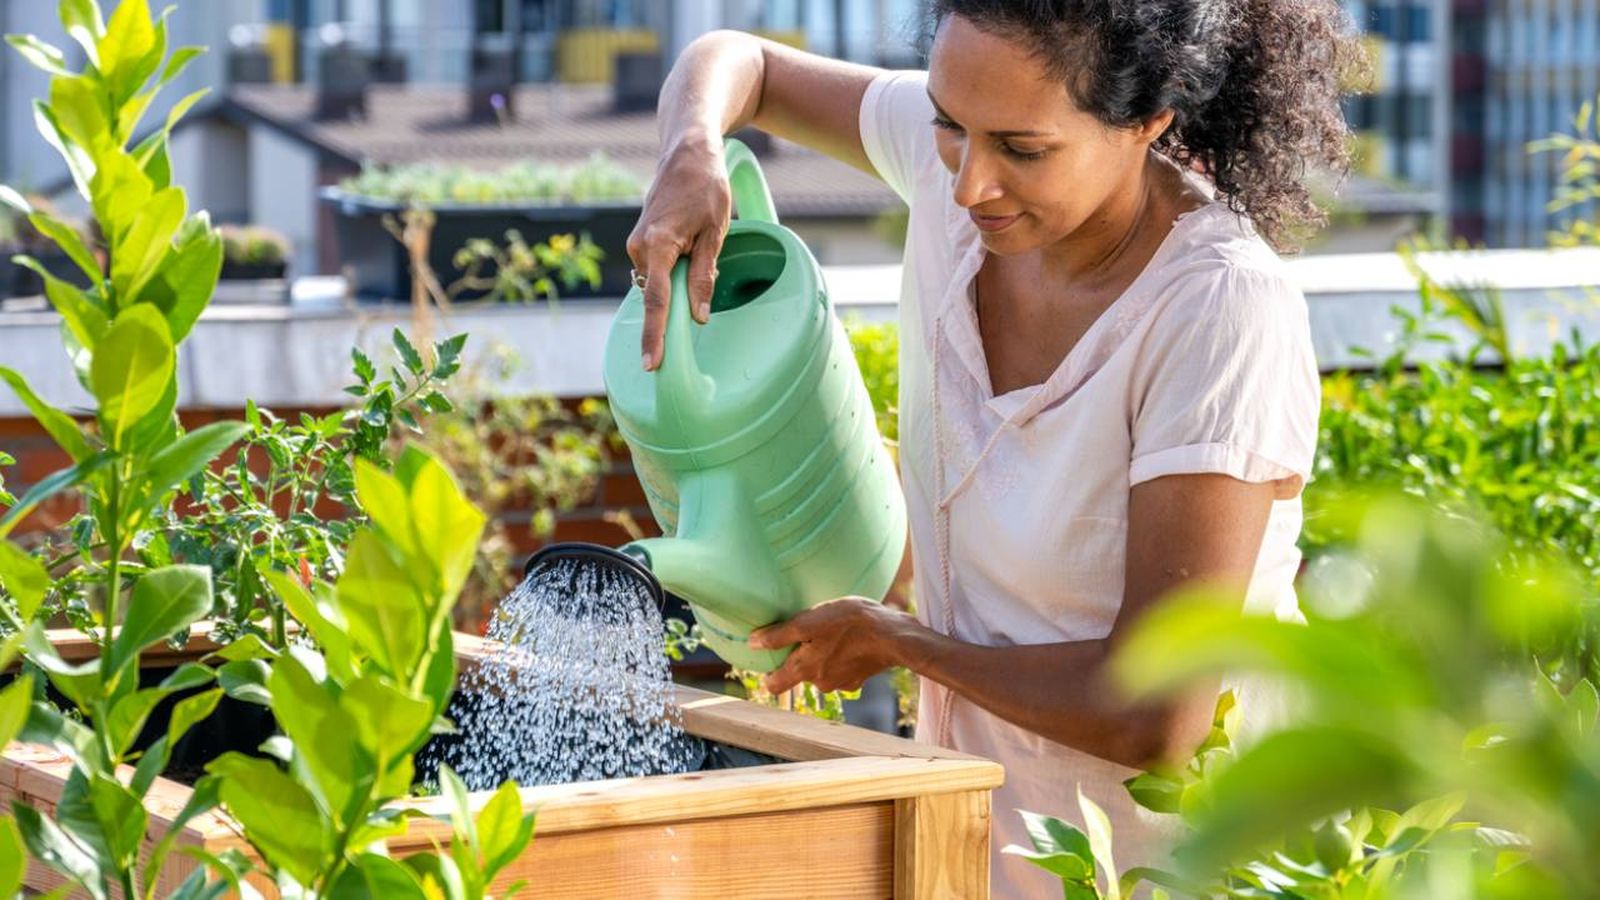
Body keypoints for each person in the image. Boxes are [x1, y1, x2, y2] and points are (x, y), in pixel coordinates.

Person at [627, 1, 1359, 895]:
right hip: (976, 836)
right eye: (947, 124)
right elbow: (740, 61)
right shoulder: (973, 166)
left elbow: (1158, 711)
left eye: (1022, 149)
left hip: (1172, 862)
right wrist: (690, 149)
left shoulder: (1218, 310)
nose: (969, 184)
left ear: (1149, 121)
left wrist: (902, 643)